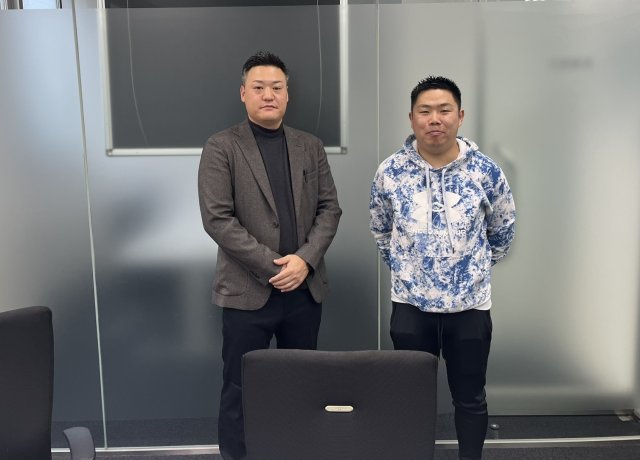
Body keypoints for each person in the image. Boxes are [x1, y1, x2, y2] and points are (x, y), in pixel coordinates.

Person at [198, 50, 342, 460]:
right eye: (259, 87)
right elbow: (217, 219)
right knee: (239, 386)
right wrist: (275, 266)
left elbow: (330, 209)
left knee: (302, 385)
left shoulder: (309, 146)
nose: (268, 95)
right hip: (247, 292)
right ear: (243, 93)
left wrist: (304, 261)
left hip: (304, 291)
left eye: (277, 87)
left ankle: (297, 452)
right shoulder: (221, 146)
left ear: (287, 95)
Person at [369, 76, 515, 460]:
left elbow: (503, 230)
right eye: (425, 111)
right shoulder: (390, 172)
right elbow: (381, 229)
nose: (435, 119)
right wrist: (410, 271)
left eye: (444, 110)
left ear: (460, 116)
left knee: (470, 397)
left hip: (470, 309)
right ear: (412, 118)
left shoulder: (485, 171)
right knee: (409, 399)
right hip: (410, 307)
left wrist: (468, 271)